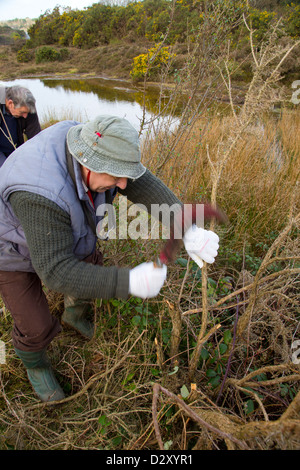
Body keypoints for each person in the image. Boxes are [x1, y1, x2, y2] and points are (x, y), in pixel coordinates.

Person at [0, 115, 219, 402]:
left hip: (62, 228)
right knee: (35, 325)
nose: (123, 184)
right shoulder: (39, 191)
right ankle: (36, 365)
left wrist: (187, 228)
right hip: (10, 251)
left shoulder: (95, 144)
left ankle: (74, 315)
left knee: (88, 263)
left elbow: (139, 182)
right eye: (116, 177)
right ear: (87, 164)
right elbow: (54, 270)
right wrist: (127, 282)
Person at [0, 85, 41, 167]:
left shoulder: (27, 106)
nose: (25, 116)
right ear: (10, 103)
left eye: (27, 112)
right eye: (22, 112)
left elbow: (37, 138)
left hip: (14, 151)